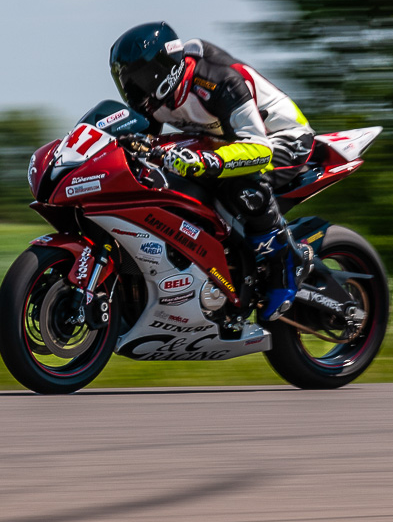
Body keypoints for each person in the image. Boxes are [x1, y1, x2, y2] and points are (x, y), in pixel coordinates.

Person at [108, 21, 313, 323]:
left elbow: (258, 148)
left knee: (240, 186)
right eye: (125, 81)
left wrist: (210, 163)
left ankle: (287, 265)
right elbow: (145, 144)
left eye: (136, 78)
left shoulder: (217, 80)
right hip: (223, 144)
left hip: (281, 139)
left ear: (161, 69)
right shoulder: (154, 98)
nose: (132, 89)